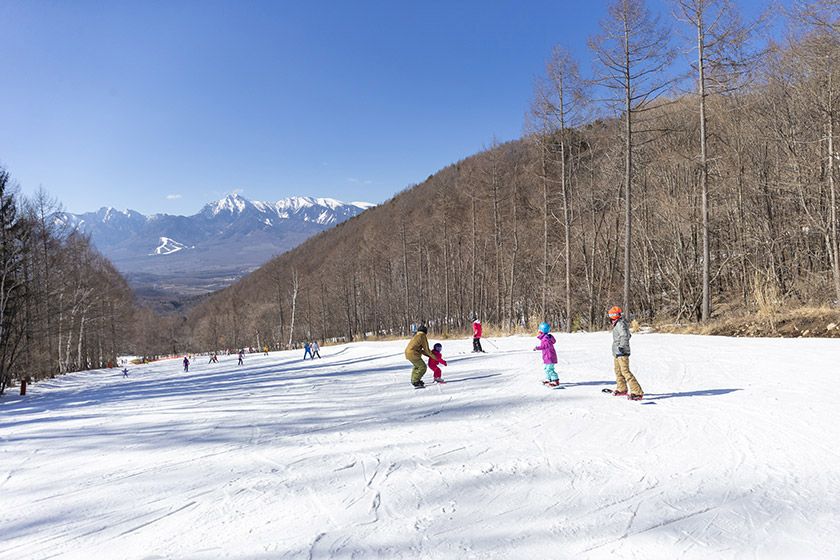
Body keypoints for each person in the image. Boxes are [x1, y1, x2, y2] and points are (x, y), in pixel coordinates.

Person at [609, 306, 643, 400]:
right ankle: (622, 388)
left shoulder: (620, 323)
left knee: (625, 371)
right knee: (618, 371)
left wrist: (622, 347)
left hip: (621, 351)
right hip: (617, 351)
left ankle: (637, 392)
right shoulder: (617, 323)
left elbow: (625, 335)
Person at [535, 322, 562, 387]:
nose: (538, 330)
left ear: (542, 330)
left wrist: (536, 348)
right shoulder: (546, 337)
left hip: (549, 357)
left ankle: (555, 380)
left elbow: (544, 346)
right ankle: (548, 379)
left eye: (539, 329)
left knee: (549, 369)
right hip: (547, 356)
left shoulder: (545, 339)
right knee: (546, 368)